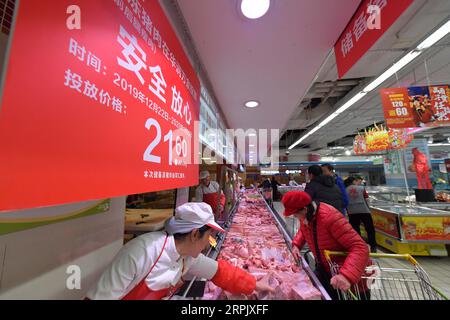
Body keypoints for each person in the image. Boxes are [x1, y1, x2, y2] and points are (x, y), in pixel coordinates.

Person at [86, 202, 274, 300]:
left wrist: (255, 286)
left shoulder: (186, 257)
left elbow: (220, 272)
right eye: (208, 236)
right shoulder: (141, 252)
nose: (209, 244)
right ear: (194, 234)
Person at [282, 191, 370, 300]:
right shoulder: (307, 215)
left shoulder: (329, 217)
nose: (295, 217)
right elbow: (304, 230)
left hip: (351, 274)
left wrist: (346, 275)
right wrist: (296, 245)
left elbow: (360, 247)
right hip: (328, 269)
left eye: (295, 214)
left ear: (304, 209)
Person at [345, 176, 377, 253]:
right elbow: (367, 199)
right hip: (364, 210)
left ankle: (359, 247)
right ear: (353, 181)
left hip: (352, 212)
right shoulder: (361, 188)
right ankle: (373, 247)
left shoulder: (345, 190)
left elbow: (344, 201)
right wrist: (369, 208)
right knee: (369, 229)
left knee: (355, 230)